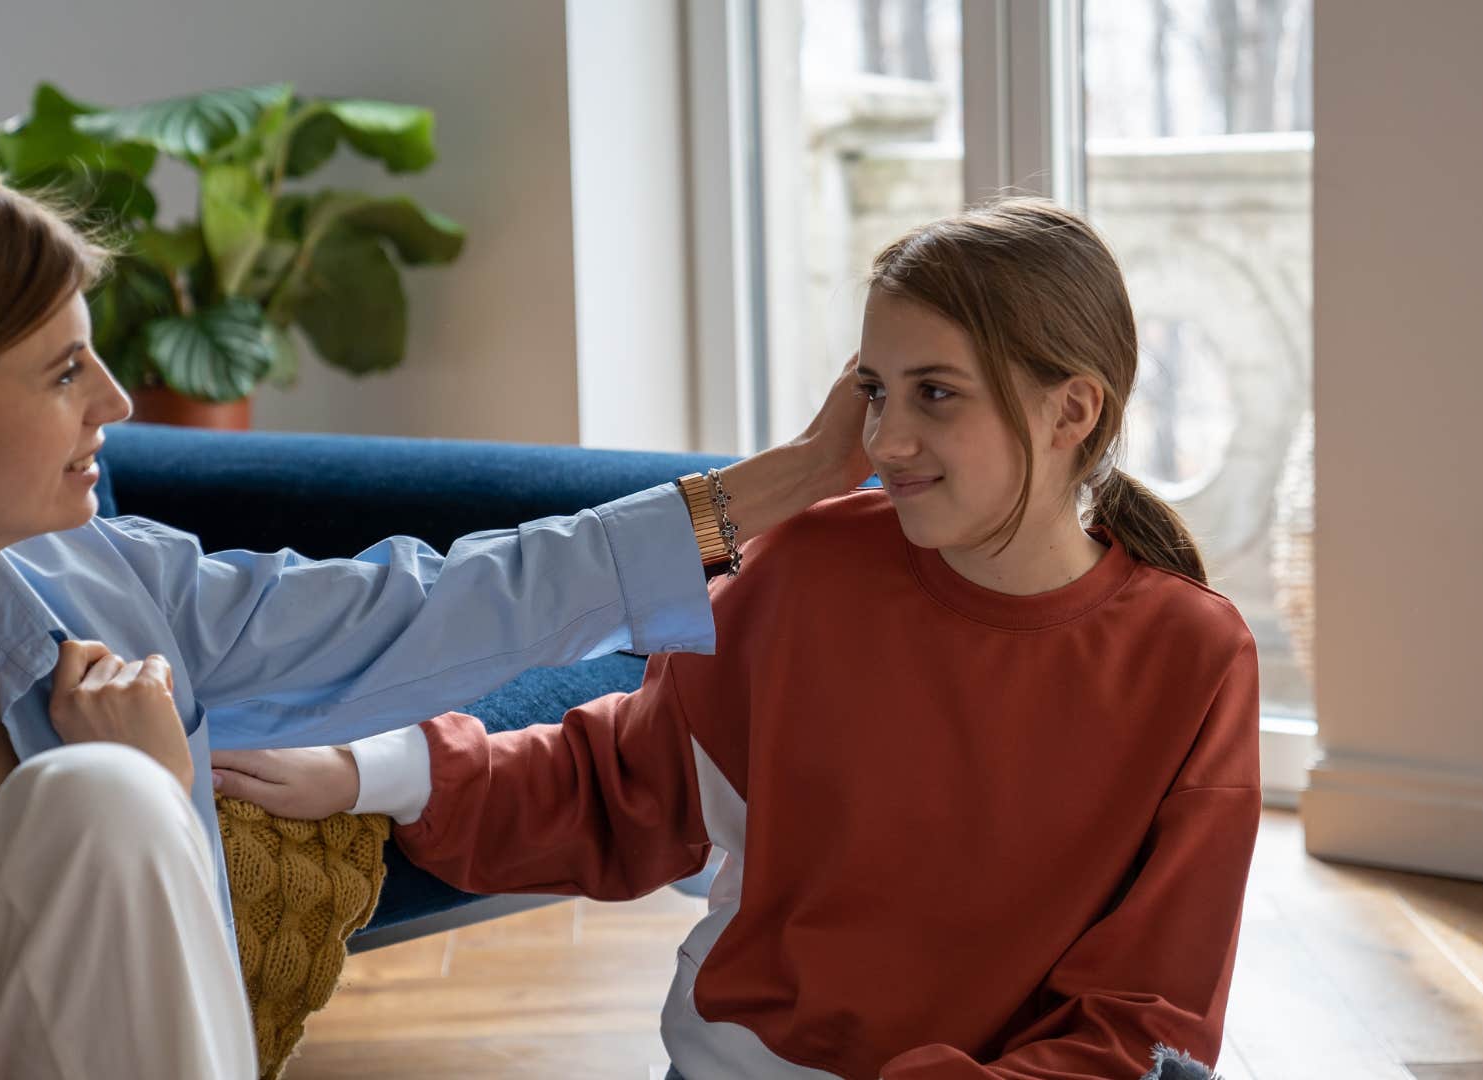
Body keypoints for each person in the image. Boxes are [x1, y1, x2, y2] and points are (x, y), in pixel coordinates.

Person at [0, 159, 872, 1080]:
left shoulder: (93, 583)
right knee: (87, 807)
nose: (111, 399)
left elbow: (418, 610)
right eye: (60, 370)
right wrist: (143, 782)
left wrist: (790, 481)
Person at [217, 198, 1261, 1080]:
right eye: (874, 393)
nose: (887, 442)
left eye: (935, 395)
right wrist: (372, 769)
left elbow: (1148, 1013)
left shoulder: (1194, 660)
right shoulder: (806, 569)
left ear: (1073, 408)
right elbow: (622, 788)